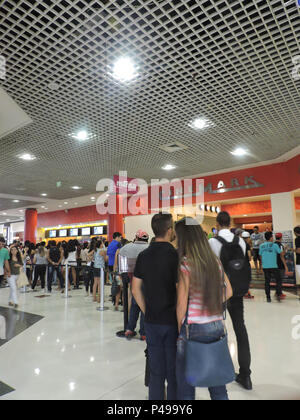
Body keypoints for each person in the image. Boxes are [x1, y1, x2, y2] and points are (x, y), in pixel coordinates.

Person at [175, 217, 233, 400]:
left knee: (186, 384)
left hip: (193, 327)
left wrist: (180, 330)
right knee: (217, 383)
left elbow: (182, 304)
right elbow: (229, 291)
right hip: (216, 325)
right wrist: (212, 303)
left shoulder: (185, 263)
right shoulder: (214, 261)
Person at [132, 213, 178, 401]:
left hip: (151, 321)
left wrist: (147, 310)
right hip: (173, 321)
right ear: (169, 230)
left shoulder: (143, 255)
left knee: (156, 371)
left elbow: (135, 290)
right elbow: (180, 290)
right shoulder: (175, 256)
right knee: (173, 372)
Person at [209, 211, 252, 391]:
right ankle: (245, 375)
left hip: (219, 292)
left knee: (215, 331)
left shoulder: (212, 242)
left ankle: (216, 371)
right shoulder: (240, 241)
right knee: (240, 330)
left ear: (218, 224)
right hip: (238, 291)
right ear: (230, 223)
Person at [118, 230, 149, 340]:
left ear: (136, 237)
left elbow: (121, 264)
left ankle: (129, 329)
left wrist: (123, 275)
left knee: (135, 304)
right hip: (146, 282)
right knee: (144, 305)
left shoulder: (125, 248)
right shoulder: (149, 248)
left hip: (131, 279)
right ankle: (143, 332)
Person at [259, 231, 288, 303]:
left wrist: (261, 266)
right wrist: (286, 248)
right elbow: (282, 254)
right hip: (274, 266)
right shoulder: (275, 245)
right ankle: (278, 294)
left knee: (267, 282)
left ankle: (268, 297)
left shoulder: (261, 246)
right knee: (278, 280)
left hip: (265, 266)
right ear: (271, 237)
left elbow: (260, 256)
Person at [241, 231, 254, 299]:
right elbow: (249, 256)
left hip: (239, 264)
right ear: (247, 238)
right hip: (245, 264)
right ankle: (246, 292)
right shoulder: (247, 245)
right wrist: (250, 258)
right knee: (247, 278)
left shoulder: (238, 244)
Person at [274, 233, 287, 300]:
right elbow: (282, 255)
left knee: (277, 279)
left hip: (274, 264)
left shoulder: (273, 244)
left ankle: (277, 292)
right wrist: (286, 249)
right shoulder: (280, 245)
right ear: (281, 237)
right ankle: (279, 293)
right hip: (280, 265)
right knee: (280, 280)